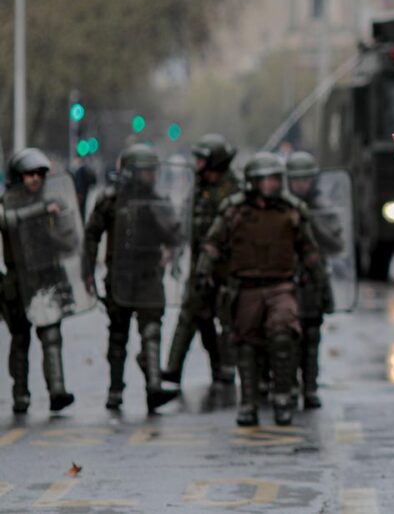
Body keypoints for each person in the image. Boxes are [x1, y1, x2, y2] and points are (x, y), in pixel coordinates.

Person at [195, 152, 330, 427]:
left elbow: (309, 250)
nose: (273, 184)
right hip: (247, 288)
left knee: (283, 336)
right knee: (246, 345)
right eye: (266, 179)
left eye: (276, 179)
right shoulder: (234, 210)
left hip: (280, 286)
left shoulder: (291, 210)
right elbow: (212, 243)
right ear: (253, 181)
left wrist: (322, 284)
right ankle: (248, 402)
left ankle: (282, 397)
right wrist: (202, 272)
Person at [84, 144, 183, 413]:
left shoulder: (157, 201)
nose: (152, 176)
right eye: (146, 171)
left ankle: (154, 387)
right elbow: (92, 234)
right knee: (118, 335)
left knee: (152, 331)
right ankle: (115, 390)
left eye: (153, 171)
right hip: (120, 278)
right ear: (131, 172)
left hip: (149, 276)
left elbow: (175, 235)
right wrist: (88, 271)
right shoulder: (110, 201)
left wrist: (165, 223)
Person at [2, 149, 79, 414]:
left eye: (39, 174)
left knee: (51, 335)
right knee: (20, 339)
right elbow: (6, 221)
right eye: (29, 174)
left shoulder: (53, 204)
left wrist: (53, 225)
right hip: (17, 280)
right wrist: (38, 212)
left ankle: (57, 390)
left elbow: (70, 242)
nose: (35, 179)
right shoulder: (7, 204)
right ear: (18, 177)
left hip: (46, 277)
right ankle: (20, 394)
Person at [163, 134, 241, 387]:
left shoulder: (233, 189)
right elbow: (186, 219)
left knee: (226, 319)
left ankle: (225, 367)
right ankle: (173, 369)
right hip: (199, 265)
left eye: (201, 159)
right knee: (192, 313)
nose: (197, 164)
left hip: (226, 267)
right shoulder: (198, 187)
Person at [286, 150, 344, 409]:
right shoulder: (281, 206)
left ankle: (310, 387)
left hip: (313, 280)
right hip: (285, 279)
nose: (300, 185)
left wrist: (310, 222)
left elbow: (336, 244)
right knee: (286, 338)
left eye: (305, 179)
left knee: (311, 338)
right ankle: (287, 386)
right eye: (296, 179)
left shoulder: (322, 208)